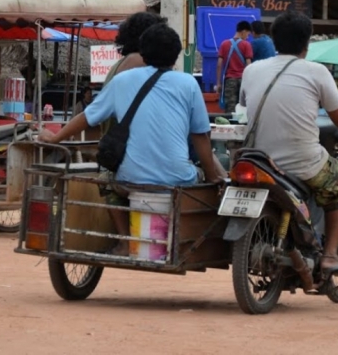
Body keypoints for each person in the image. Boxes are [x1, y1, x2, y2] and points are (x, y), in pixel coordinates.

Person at [39, 24, 220, 255]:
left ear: (142, 53)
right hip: (178, 180)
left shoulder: (122, 81)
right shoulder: (188, 84)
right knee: (202, 177)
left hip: (130, 179)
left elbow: (87, 117)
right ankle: (185, 241)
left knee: (108, 180)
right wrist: (213, 176)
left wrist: (55, 139)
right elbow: (200, 136)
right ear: (176, 55)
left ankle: (125, 241)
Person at [239, 11, 338, 278]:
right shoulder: (316, 72)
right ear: (306, 44)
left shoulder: (251, 70)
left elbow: (243, 105)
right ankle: (330, 255)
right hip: (301, 162)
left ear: (274, 40)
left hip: (258, 159)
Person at [216, 21, 253, 113]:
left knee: (230, 110)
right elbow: (249, 65)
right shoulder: (246, 45)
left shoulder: (224, 44)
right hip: (243, 81)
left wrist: (218, 83)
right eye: (247, 34)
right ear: (243, 31)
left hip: (229, 81)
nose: (247, 37)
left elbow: (219, 64)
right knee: (243, 109)